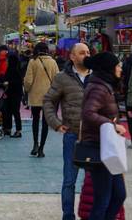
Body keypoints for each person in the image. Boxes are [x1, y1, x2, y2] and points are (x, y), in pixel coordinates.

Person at [43, 43, 91, 220]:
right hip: (72, 135)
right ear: (72, 57)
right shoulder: (62, 78)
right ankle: (68, 216)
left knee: (93, 181)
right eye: (82, 53)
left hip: (93, 137)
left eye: (88, 52)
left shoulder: (97, 77)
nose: (86, 55)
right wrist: (55, 123)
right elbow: (48, 101)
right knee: (69, 180)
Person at [80, 52, 127, 220]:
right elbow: (88, 113)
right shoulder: (99, 88)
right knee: (103, 199)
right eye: (118, 65)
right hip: (99, 148)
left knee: (118, 194)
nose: (120, 68)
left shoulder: (105, 86)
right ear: (109, 68)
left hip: (107, 147)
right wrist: (113, 125)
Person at [24, 42, 59, 157]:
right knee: (45, 123)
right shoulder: (53, 62)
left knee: (35, 120)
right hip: (49, 97)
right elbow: (57, 80)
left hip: (35, 96)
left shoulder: (33, 61)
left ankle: (35, 144)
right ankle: (41, 148)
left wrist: (27, 90)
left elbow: (28, 81)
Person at [0, 53, 24, 137]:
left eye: (8, 60)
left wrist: (9, 82)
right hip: (9, 94)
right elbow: (4, 78)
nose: (7, 61)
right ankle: (8, 128)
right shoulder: (9, 69)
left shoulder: (17, 70)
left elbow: (18, 82)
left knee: (15, 112)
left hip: (16, 94)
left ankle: (18, 130)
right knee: (7, 111)